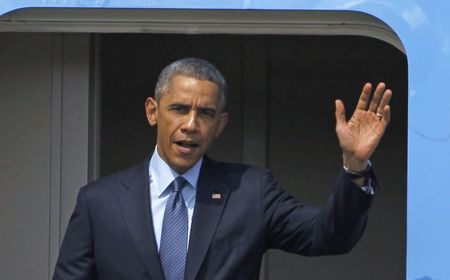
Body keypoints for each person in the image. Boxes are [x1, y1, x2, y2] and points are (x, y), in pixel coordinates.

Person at [53, 58, 392, 280]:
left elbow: (330, 236)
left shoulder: (251, 192)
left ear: (221, 124)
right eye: (179, 109)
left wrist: (355, 165)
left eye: (206, 114)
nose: (191, 124)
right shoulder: (99, 203)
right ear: (153, 111)